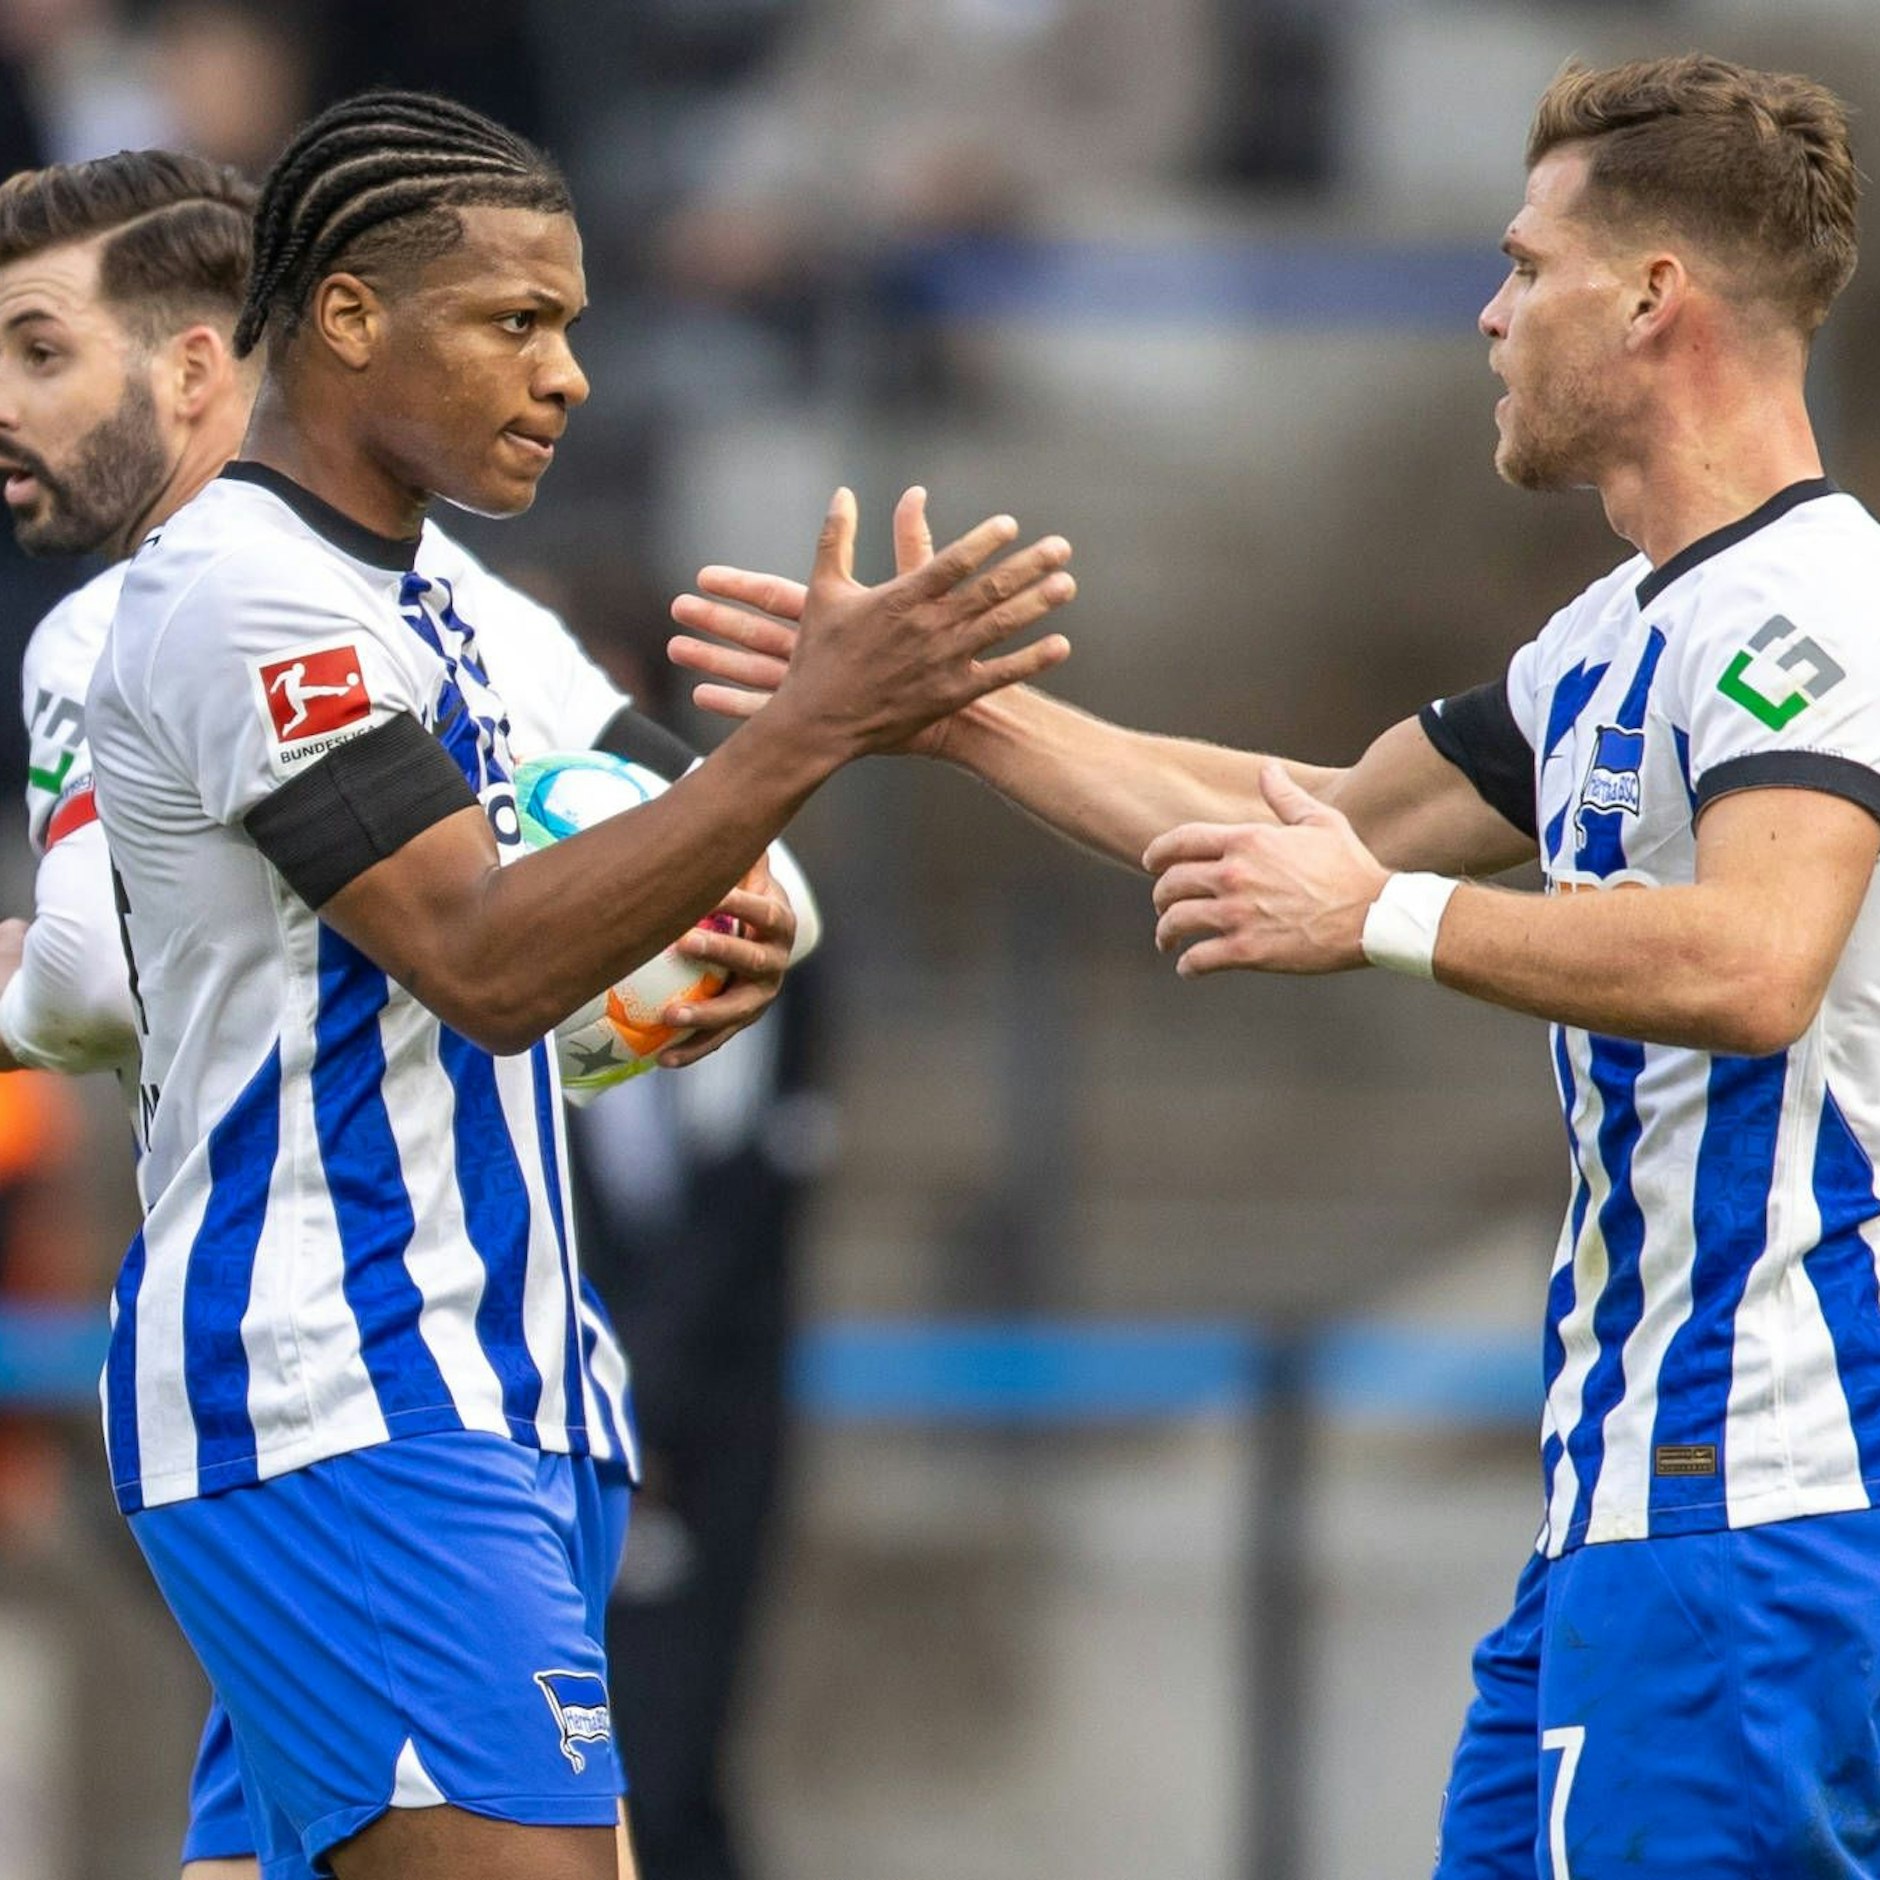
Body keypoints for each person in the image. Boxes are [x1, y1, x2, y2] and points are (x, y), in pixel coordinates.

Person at [670, 52, 1880, 1878]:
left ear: (1652, 299)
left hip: (1767, 1488)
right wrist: (955, 715)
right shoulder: (1614, 638)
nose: (1488, 311)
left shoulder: (1809, 612)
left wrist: (1381, 926)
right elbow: (1320, 819)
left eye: (1526, 264)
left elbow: (1758, 959)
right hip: (1634, 1503)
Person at [84, 88, 1073, 1880]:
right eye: (516, 322)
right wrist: (802, 736)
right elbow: (479, 956)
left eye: (575, 328)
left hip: (493, 1379)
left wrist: (732, 891)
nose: (569, 377)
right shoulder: (247, 602)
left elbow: (653, 868)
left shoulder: (441, 606)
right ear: (348, 317)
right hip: (341, 1387)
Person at [0, 144, 788, 1880]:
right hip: (421, 1381)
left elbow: (78, 974)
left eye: (43, 349)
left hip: (387, 1369)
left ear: (209, 358)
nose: (10, 406)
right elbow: (751, 910)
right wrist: (596, 997)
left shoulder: (142, 612)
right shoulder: (468, 613)